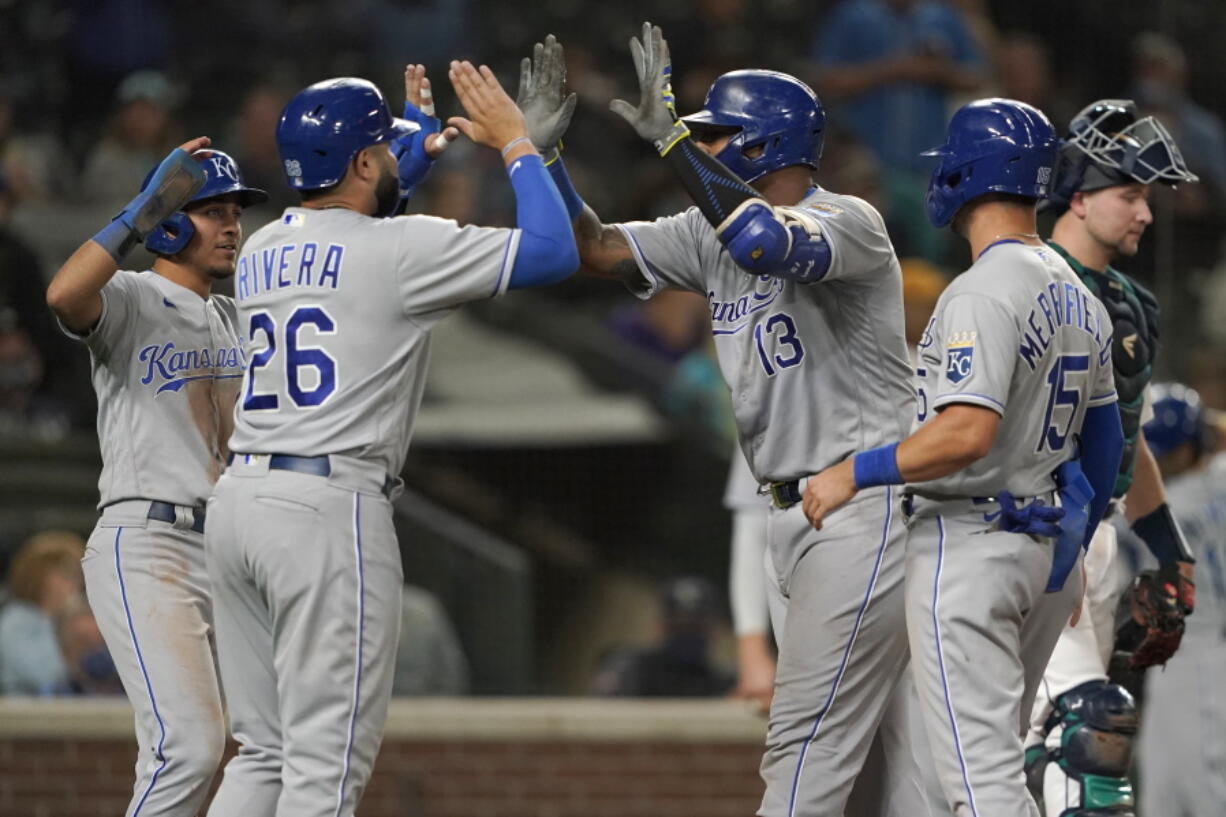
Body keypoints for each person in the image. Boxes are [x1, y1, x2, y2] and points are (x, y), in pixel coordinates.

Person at [518, 25, 946, 816]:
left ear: (764, 145)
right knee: (883, 760)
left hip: (862, 507)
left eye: (716, 134)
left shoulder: (848, 219)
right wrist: (542, 161)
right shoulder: (706, 232)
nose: (700, 146)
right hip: (789, 517)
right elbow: (595, 249)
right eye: (699, 134)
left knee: (804, 743)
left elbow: (761, 244)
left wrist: (673, 140)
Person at [202, 63, 578, 817]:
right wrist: (515, 144)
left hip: (239, 501)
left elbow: (351, 229)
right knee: (323, 768)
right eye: (377, 150)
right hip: (325, 509)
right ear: (366, 163)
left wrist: (398, 157)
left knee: (263, 753)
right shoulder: (404, 246)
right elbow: (553, 248)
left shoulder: (262, 246)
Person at [803, 98, 1125, 817]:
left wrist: (853, 470)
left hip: (968, 541)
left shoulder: (983, 290)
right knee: (986, 767)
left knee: (981, 788)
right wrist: (1070, 552)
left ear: (968, 172)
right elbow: (1105, 444)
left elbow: (965, 434)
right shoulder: (1079, 291)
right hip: (1041, 545)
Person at [45, 138, 268, 814]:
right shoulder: (132, 297)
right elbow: (63, 294)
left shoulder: (234, 317)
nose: (231, 225)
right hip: (150, 542)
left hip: (228, 549)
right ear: (169, 222)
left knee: (272, 743)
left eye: (235, 211)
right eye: (210, 210)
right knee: (190, 746)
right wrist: (138, 212)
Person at [1023, 99, 1200, 817]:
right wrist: (1049, 549)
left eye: (1147, 198)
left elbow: (1127, 436)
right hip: (1028, 533)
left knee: (1034, 748)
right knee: (1085, 736)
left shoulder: (1133, 301)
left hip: (1096, 539)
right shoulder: (1024, 279)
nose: (1144, 214)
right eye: (1129, 194)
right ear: (1079, 193)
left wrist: (1167, 551)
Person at [1130, 384, 1226, 817]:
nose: (1157, 464)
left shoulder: (1176, 505)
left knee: (1207, 789)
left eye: (1165, 454)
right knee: (1161, 791)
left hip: (1204, 659)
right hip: (1176, 659)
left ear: (1186, 451)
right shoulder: (1219, 476)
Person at [0, 530, 87, 695]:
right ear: (39, 574)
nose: (77, 581)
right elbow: (45, 675)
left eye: (78, 573)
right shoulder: (16, 620)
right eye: (67, 572)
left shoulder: (67, 619)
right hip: (24, 712)